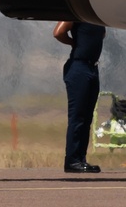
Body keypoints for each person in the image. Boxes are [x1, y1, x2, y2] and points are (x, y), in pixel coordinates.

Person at [53, 20, 105, 174]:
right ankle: (72, 160)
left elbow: (101, 35)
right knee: (78, 117)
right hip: (79, 66)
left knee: (87, 117)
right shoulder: (75, 11)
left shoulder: (96, 15)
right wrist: (73, 43)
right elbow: (58, 32)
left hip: (92, 67)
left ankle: (80, 159)